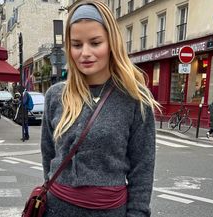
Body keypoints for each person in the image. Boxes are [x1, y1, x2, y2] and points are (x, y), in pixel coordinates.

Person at [40, 1, 160, 217]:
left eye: (95, 43)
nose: (85, 53)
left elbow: (142, 170)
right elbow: (48, 158)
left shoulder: (135, 99)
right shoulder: (55, 96)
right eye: (77, 45)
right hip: (56, 209)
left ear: (111, 43)